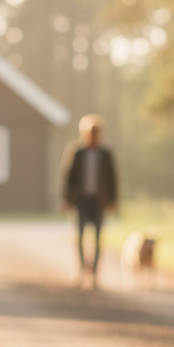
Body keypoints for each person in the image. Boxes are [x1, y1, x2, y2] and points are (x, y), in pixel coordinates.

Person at [61, 114, 118, 286]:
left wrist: (113, 200)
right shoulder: (77, 152)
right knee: (79, 236)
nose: (93, 135)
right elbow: (68, 177)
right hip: (81, 200)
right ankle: (80, 269)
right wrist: (66, 199)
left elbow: (112, 178)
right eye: (90, 132)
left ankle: (93, 274)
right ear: (84, 133)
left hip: (99, 201)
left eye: (96, 132)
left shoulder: (106, 154)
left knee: (98, 238)